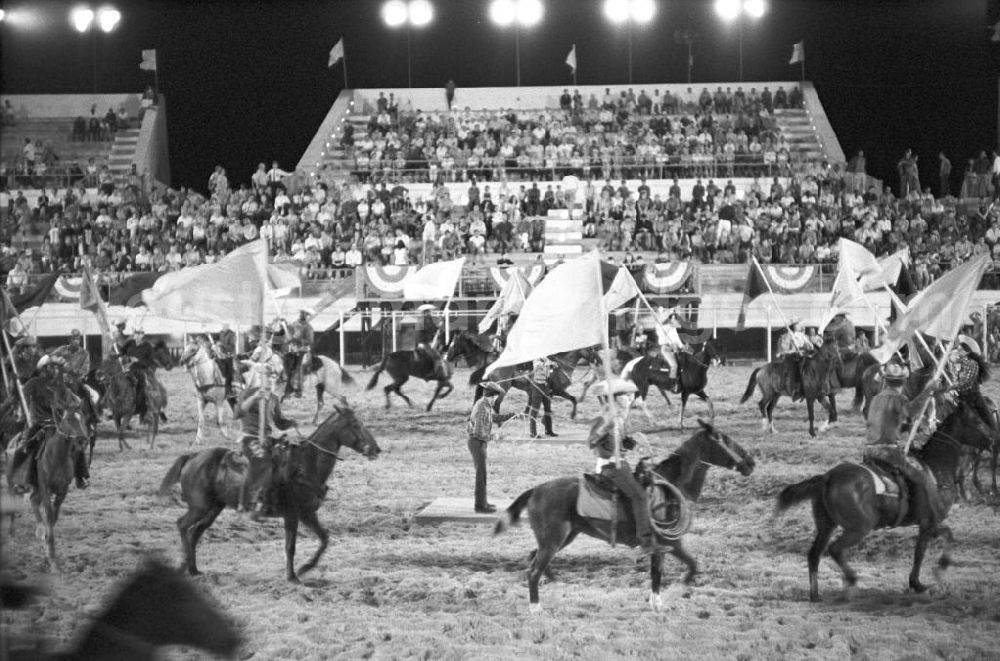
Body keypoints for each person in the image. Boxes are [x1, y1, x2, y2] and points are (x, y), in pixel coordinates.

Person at [863, 362, 945, 531]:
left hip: (868, 451)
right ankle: (921, 517)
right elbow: (912, 411)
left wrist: (904, 427)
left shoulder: (876, 399)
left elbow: (886, 422)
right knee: (921, 478)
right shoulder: (898, 398)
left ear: (886, 380)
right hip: (888, 451)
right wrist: (929, 390)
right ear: (903, 382)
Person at [588, 378, 655, 556]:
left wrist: (630, 443)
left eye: (630, 396)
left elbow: (621, 442)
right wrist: (603, 430)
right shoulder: (603, 419)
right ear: (616, 399)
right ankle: (646, 542)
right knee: (640, 497)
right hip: (610, 467)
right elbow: (591, 443)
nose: (630, 399)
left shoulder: (620, 419)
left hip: (622, 465)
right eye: (626, 396)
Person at [8, 356, 89, 492]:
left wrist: (73, 403)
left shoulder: (61, 385)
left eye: (57, 367)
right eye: (52, 367)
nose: (56, 370)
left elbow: (70, 401)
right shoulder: (34, 383)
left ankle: (80, 477)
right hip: (38, 423)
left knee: (78, 446)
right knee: (24, 446)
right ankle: (19, 481)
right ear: (44, 369)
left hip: (58, 424)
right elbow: (21, 398)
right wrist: (17, 386)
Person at [235, 366, 298, 520]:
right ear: (259, 377)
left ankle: (281, 500)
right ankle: (254, 503)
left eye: (272, 377)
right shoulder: (248, 393)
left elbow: (279, 421)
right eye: (266, 376)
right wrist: (254, 398)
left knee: (290, 459)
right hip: (250, 438)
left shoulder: (274, 398)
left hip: (269, 439)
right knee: (264, 463)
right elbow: (238, 413)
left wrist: (290, 423)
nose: (269, 379)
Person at [466, 382, 512, 513]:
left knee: (483, 475)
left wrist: (510, 416)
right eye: (496, 397)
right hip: (477, 443)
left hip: (479, 443)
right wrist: (495, 437)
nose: (496, 399)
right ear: (493, 395)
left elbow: (492, 417)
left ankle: (483, 502)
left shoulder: (484, 404)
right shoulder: (482, 407)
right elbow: (479, 432)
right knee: (480, 476)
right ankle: (480, 506)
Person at [947, 335, 997, 436]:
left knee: (992, 425)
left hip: (974, 398)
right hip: (960, 399)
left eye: (960, 349)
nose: (957, 351)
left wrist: (953, 386)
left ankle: (996, 438)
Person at [777, 318, 810, 400]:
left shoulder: (803, 335)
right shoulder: (786, 336)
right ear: (793, 326)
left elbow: (809, 345)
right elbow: (783, 349)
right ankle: (796, 390)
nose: (800, 325)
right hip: (792, 357)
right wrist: (794, 350)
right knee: (798, 370)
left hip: (803, 356)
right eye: (797, 324)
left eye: (799, 324)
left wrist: (808, 346)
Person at [285, 309, 315, 395]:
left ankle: (299, 389)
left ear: (307, 315)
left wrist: (299, 339)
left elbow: (310, 341)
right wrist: (284, 324)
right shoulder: (293, 324)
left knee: (299, 367)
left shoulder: (309, 327)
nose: (302, 315)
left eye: (304, 314)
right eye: (301, 313)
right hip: (292, 349)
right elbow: (288, 332)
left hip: (303, 351)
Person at [656, 311, 686, 393]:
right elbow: (660, 332)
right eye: (674, 319)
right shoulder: (663, 327)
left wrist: (685, 348)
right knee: (674, 366)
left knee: (683, 364)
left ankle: (681, 383)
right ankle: (671, 386)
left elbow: (678, 341)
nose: (677, 321)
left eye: (676, 319)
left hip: (674, 350)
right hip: (666, 349)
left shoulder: (674, 329)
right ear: (670, 320)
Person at [528, 356, 557, 439]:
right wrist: (548, 364)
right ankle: (533, 432)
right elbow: (537, 366)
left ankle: (548, 430)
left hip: (545, 385)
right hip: (537, 385)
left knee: (548, 408)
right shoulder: (536, 358)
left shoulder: (546, 359)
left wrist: (552, 366)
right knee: (535, 409)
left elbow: (548, 373)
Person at [214, 323, 237, 397]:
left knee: (229, 374)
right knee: (219, 373)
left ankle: (228, 391)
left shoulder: (232, 334)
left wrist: (222, 346)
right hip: (220, 356)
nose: (223, 327)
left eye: (225, 326)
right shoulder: (220, 333)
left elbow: (232, 346)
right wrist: (217, 344)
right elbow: (216, 341)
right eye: (222, 325)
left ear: (228, 326)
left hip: (228, 356)